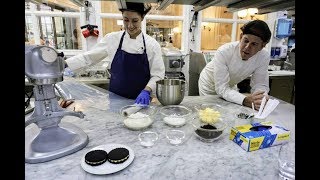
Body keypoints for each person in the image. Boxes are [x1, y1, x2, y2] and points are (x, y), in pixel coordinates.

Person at [65, 2, 165, 106]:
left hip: (140, 101)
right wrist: (65, 64)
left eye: (135, 21)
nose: (130, 25)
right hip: (115, 100)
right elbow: (89, 57)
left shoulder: (152, 45)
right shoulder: (112, 39)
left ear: (142, 18)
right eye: (126, 20)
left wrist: (147, 91)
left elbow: (158, 75)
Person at [198, 20, 272, 110]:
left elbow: (260, 83)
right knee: (212, 113)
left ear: (262, 46)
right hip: (209, 85)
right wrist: (245, 100)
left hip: (229, 86)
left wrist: (260, 97)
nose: (247, 47)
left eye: (254, 44)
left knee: (231, 111)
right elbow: (221, 88)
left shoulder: (263, 56)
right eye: (246, 41)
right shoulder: (224, 51)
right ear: (241, 37)